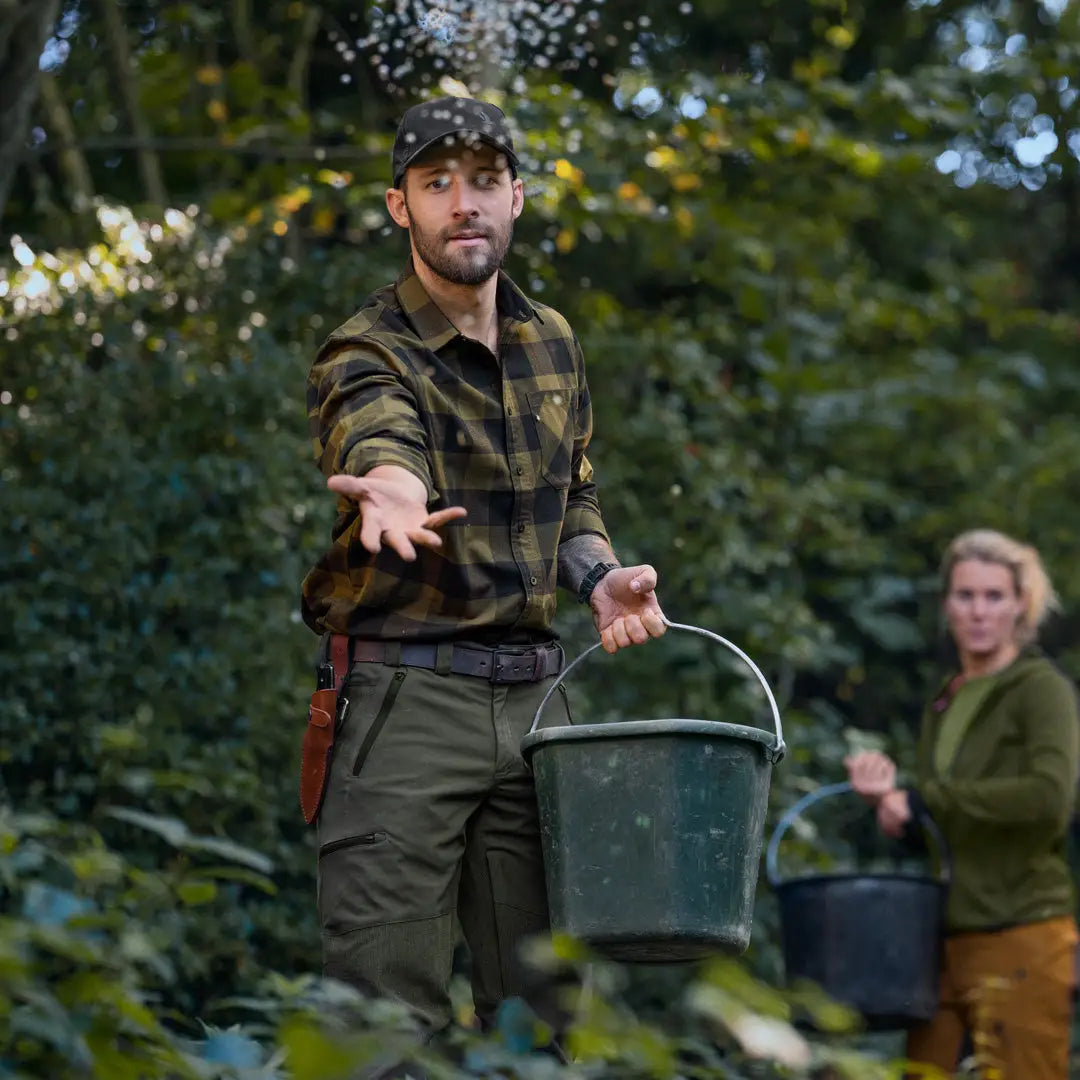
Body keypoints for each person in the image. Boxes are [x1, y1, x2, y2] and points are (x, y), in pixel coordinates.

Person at [299, 96, 666, 1035]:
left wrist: (599, 578)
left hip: (542, 705)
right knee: (384, 1023)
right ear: (399, 206)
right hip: (405, 704)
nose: (464, 203)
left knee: (547, 1016)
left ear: (518, 198)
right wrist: (392, 486)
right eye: (437, 185)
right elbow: (378, 431)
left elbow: (573, 498)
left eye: (485, 183)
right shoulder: (366, 346)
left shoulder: (554, 341)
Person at [845, 528, 1078, 1079]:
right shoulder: (946, 698)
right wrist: (899, 815)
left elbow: (1048, 798)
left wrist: (924, 800)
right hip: (941, 939)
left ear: (1022, 604)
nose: (979, 611)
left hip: (1021, 931)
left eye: (994, 596)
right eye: (965, 595)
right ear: (947, 602)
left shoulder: (1040, 689)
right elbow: (947, 820)